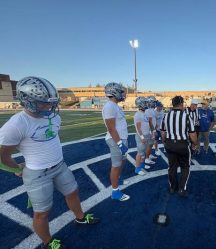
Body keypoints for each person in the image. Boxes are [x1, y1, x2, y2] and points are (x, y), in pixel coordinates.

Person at [0, 76, 99, 249]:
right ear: (27, 100)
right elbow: (2, 155)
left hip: (60, 165)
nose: (49, 106)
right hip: (37, 174)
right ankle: (47, 241)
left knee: (73, 192)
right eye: (43, 102)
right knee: (42, 213)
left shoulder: (53, 116)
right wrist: (16, 167)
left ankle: (80, 217)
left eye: (50, 102)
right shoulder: (16, 124)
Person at [160, 96, 198, 197]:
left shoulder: (166, 116)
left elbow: (163, 132)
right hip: (182, 145)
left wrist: (164, 142)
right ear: (181, 104)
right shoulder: (186, 116)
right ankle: (181, 188)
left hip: (170, 144)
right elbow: (192, 134)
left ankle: (173, 187)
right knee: (185, 167)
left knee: (172, 167)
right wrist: (195, 144)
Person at [102, 82, 130, 201]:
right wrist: (119, 143)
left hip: (121, 139)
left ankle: (117, 180)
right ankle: (115, 191)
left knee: (121, 163)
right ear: (114, 92)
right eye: (120, 91)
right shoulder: (109, 106)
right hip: (116, 140)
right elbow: (111, 128)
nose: (122, 94)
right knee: (116, 165)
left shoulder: (115, 106)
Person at [133, 96, 150, 175]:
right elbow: (138, 128)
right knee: (140, 153)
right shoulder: (138, 114)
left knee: (143, 152)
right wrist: (142, 137)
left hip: (146, 135)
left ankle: (142, 165)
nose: (147, 104)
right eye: (145, 102)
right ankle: (137, 168)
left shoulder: (144, 113)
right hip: (141, 136)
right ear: (141, 104)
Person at [144, 96, 158, 165]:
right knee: (149, 145)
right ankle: (146, 158)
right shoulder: (148, 110)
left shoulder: (151, 110)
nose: (155, 103)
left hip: (151, 129)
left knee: (151, 144)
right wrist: (153, 131)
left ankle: (148, 155)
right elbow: (150, 122)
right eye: (154, 102)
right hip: (150, 130)